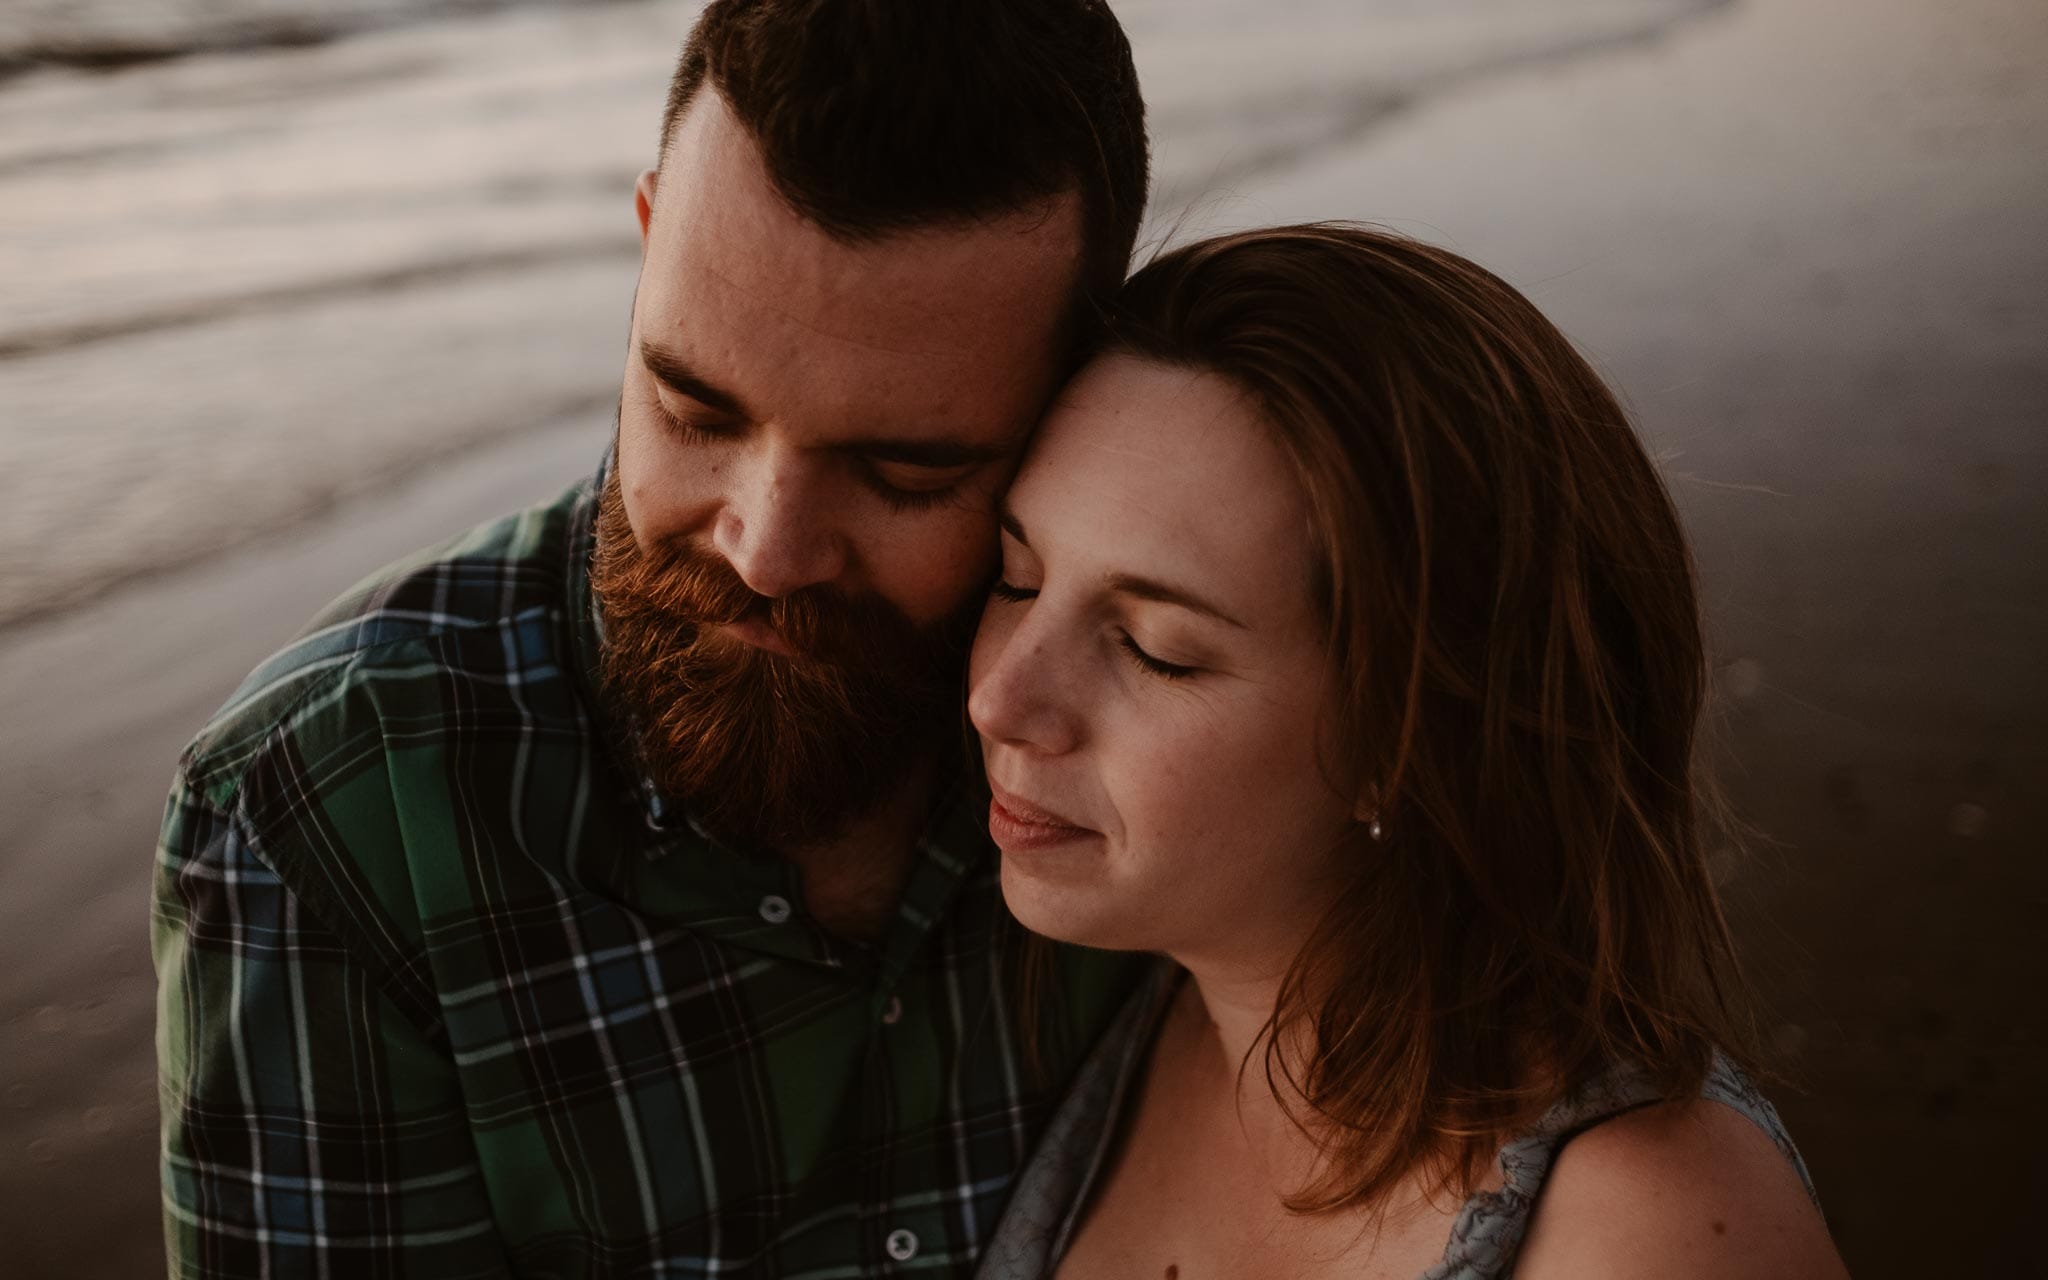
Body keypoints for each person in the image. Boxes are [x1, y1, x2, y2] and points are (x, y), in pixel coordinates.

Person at [151, 2, 1150, 1274]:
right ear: (645, 244)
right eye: (693, 406)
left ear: (1080, 378)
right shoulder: (327, 807)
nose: (766, 547)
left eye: (903, 471)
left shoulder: (1184, 707)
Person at [966, 224, 1853, 1278]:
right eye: (1016, 576)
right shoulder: (1099, 1018)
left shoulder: (1651, 1229)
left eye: (1156, 651)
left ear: (1412, 737)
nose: (998, 696)